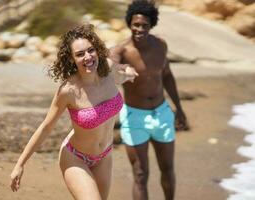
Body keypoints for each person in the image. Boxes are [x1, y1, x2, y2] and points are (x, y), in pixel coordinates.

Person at [10, 24, 138, 200]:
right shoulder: (68, 91)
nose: (88, 57)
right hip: (75, 158)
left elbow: (120, 76)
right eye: (79, 54)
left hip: (105, 156)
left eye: (90, 50)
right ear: (71, 59)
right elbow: (46, 127)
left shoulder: (108, 69)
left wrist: (128, 74)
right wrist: (20, 164)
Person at [110, 1, 189, 200]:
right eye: (136, 24)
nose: (140, 29)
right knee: (140, 174)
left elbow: (168, 76)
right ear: (129, 24)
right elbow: (109, 69)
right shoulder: (121, 51)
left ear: (151, 25)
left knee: (168, 169)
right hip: (134, 117)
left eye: (145, 25)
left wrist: (179, 108)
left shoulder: (160, 45)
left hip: (162, 113)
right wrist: (122, 70)